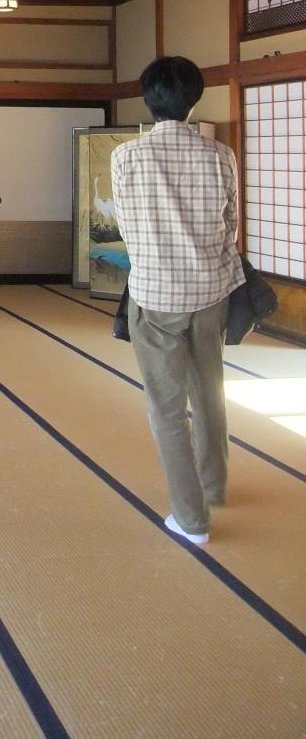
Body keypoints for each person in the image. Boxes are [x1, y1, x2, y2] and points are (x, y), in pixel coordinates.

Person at [110, 56, 244, 546]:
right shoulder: (220, 155)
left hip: (156, 294)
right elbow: (231, 227)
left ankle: (191, 519)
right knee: (209, 389)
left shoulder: (127, 156)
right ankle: (213, 485)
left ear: (148, 100)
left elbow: (126, 227)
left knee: (167, 407)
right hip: (211, 291)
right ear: (194, 100)